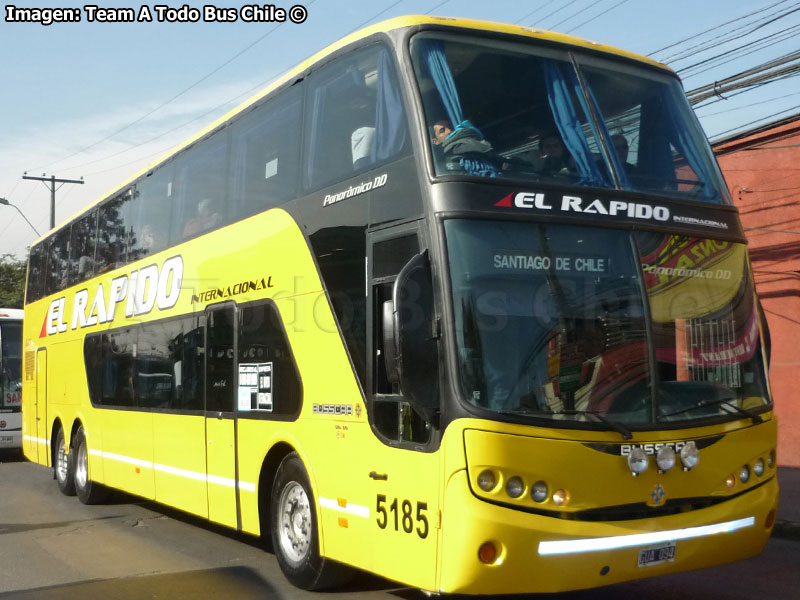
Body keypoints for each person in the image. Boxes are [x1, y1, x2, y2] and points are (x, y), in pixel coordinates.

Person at [431, 119, 503, 177]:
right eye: (442, 131)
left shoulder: (477, 151)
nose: (449, 131)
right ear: (435, 141)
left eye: (450, 127)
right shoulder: (437, 168)